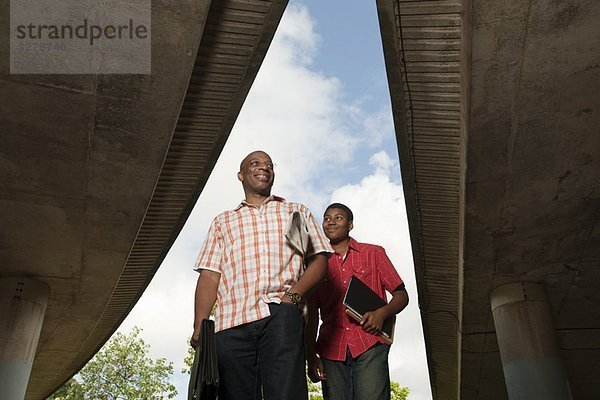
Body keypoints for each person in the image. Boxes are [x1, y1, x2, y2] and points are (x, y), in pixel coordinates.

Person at [191, 150, 333, 400]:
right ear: (241, 175)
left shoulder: (295, 212)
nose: (263, 167)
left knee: (286, 394)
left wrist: (293, 299)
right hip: (230, 323)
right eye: (255, 163)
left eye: (269, 164)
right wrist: (200, 325)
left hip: (280, 314)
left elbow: (319, 260)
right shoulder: (223, 222)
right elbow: (210, 275)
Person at [305, 203, 409, 400]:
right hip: (331, 350)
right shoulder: (316, 264)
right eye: (327, 218)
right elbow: (311, 316)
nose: (331, 222)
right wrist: (310, 357)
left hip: (369, 343)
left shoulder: (374, 253)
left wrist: (382, 314)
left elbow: (401, 295)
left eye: (338, 218)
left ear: (350, 225)